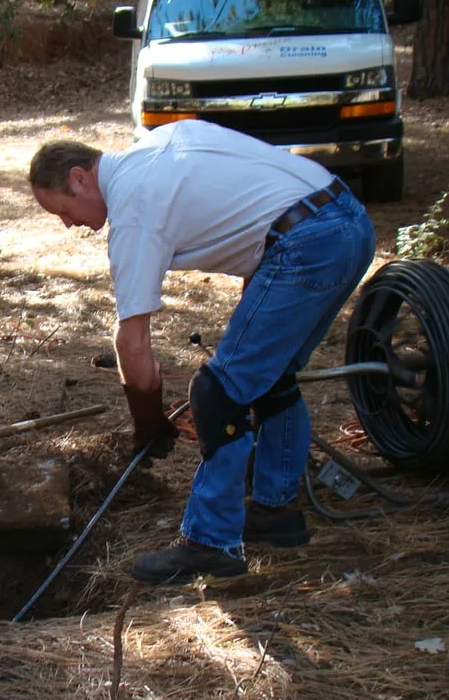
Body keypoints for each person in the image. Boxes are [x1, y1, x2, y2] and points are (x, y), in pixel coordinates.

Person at [28, 118, 376, 584]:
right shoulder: (159, 143)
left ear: (79, 178)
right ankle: (276, 512)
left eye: (63, 211)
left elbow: (131, 342)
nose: (68, 224)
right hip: (348, 221)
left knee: (216, 394)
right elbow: (258, 207)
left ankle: (211, 543)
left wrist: (147, 422)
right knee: (272, 376)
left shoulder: (132, 209)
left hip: (309, 242)